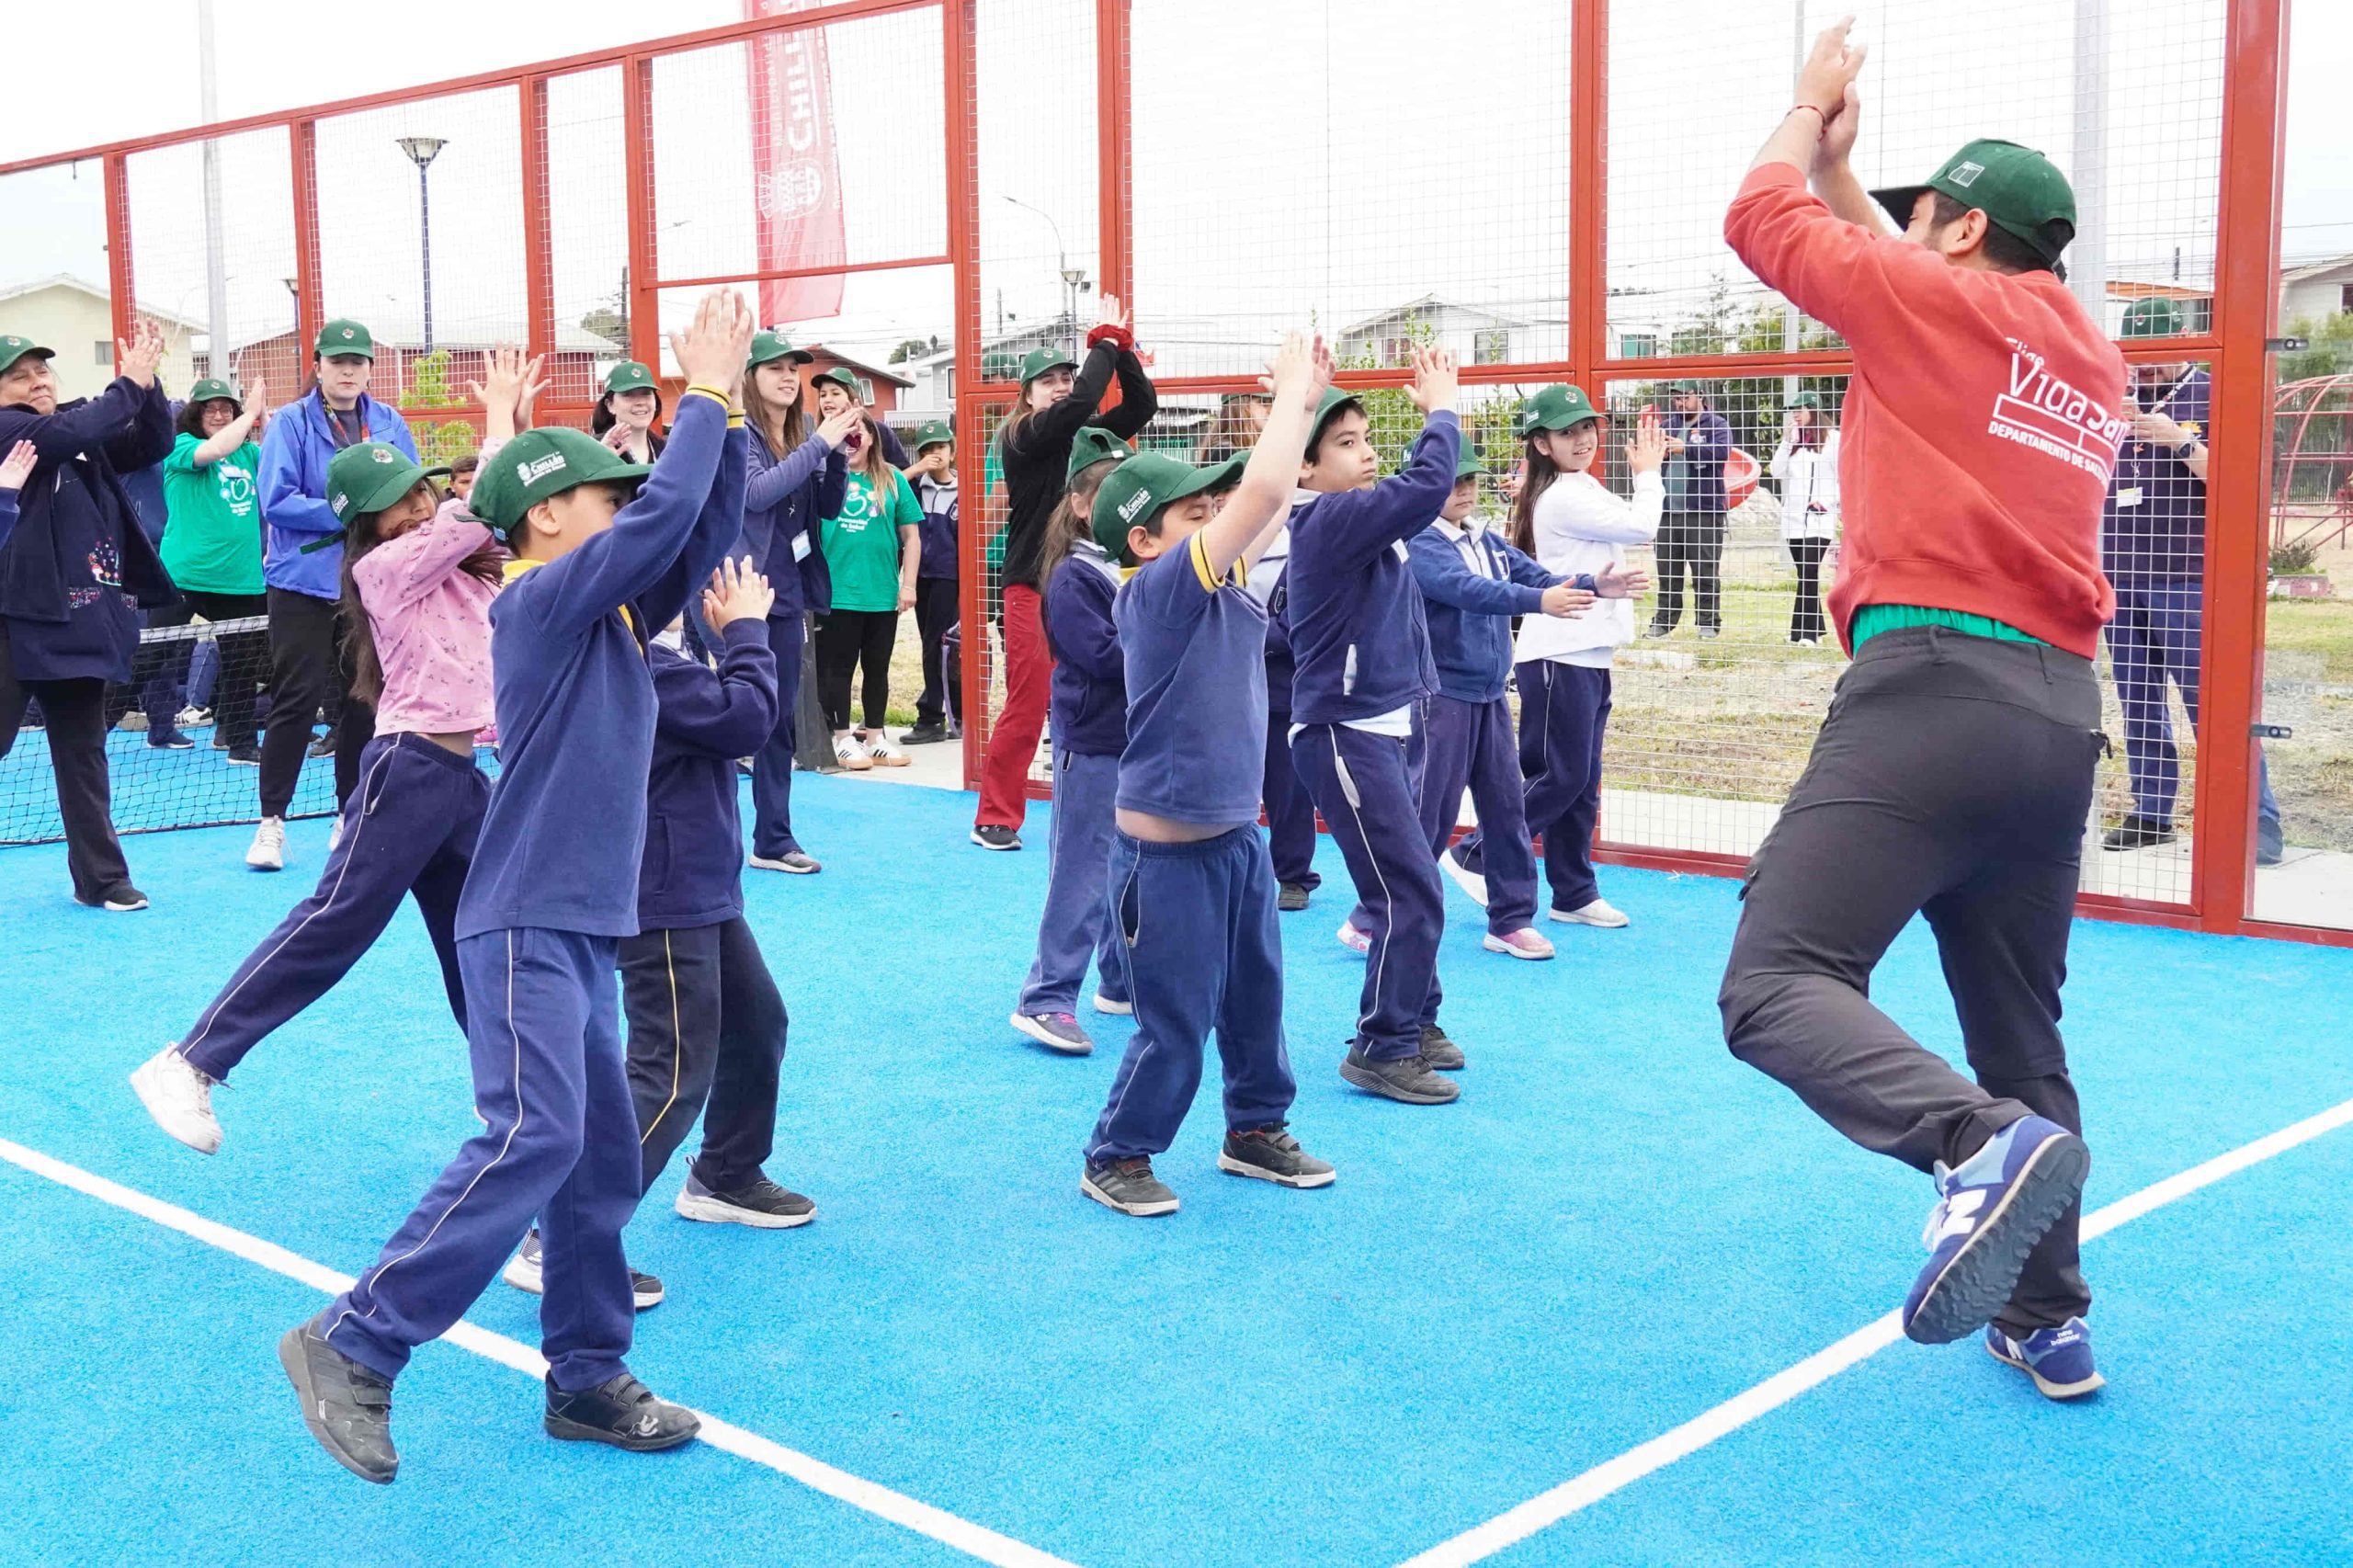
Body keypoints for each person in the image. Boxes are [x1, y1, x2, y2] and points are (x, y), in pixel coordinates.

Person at [276, 291, 753, 1483]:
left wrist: (727, 419)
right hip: (525, 920)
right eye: (608, 495)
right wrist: (703, 399)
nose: (629, 514)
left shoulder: (607, 611)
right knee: (535, 1132)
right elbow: (667, 526)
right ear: (547, 516)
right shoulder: (539, 600)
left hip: (578, 928)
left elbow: (702, 535)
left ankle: (588, 1377)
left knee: (592, 1161)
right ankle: (355, 1339)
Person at [1718, 22, 2112, 1398]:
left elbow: (1756, 218)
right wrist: (1860, 178)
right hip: (2056, 719)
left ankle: (1969, 1147)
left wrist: (1803, 113)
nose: (1898, 229)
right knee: (2022, 1037)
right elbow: (1898, 285)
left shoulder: (1933, 303)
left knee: (1774, 983)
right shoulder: (2081, 352)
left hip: (1933, 684)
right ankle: (2048, 1310)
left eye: (1918, 214)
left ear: (1957, 233)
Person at [129, 351, 540, 1156]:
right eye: (399, 503)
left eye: (423, 489)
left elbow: (493, 521)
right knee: (335, 925)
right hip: (411, 770)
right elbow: (473, 514)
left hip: (461, 781)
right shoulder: (387, 569)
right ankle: (189, 1061)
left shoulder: (461, 570)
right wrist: (496, 429)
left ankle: (514, 1103)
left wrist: (515, 433)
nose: (421, 507)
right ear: (366, 526)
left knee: (483, 945)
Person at [1078, 332, 1336, 1219]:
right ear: (1144, 539)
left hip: (1236, 843)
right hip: (1168, 859)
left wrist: (1299, 409)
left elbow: (1271, 498)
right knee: (1175, 1020)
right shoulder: (1153, 592)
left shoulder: (1225, 584)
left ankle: (1254, 1130)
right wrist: (1297, 385)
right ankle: (1119, 1152)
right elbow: (1264, 491)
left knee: (1258, 1001)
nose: (1216, 518)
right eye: (1195, 514)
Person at [504, 559, 811, 1299]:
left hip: (698, 883)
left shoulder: (652, 654)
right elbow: (747, 718)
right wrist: (743, 631)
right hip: (661, 892)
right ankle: (563, 1235)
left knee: (757, 1022)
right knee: (671, 1071)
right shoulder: (639, 665)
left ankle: (726, 1175)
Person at [1283, 349, 1465, 1107]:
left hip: (1390, 726)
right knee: (1408, 891)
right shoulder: (1330, 519)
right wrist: (1443, 408)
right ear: (1303, 470)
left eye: (1365, 438)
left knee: (1409, 882)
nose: (1365, 453)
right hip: (1346, 733)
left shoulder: (1357, 527)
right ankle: (1383, 1047)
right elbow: (1427, 485)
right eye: (1346, 444)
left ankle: (1415, 1021)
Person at [1406, 436, 1642, 960]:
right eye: (1452, 481)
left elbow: (1531, 573)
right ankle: (1382, 911)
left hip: (1489, 693)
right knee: (1429, 811)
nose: (1465, 490)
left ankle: (1511, 919)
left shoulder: (1482, 537)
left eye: (1469, 479)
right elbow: (1467, 590)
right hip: (1441, 696)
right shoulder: (1418, 542)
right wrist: (1541, 601)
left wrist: (1591, 585)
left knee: (1508, 806)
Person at [1452, 386, 1664, 932]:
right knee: (1558, 774)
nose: (1583, 438)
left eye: (1587, 427)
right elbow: (1643, 525)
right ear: (1541, 444)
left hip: (1586, 652)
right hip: (1558, 655)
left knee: (1581, 780)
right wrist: (1648, 471)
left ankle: (1573, 891)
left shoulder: (1578, 486)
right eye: (1567, 432)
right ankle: (1475, 854)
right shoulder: (1565, 495)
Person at [2099, 296, 2283, 863]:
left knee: (2214, 702)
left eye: (2157, 354)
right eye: (2137, 356)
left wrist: (2181, 441)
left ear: (2184, 338)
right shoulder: (2114, 398)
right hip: (2119, 574)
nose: (2145, 367)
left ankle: (2256, 823)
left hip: (2188, 576)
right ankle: (2152, 811)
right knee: (2139, 702)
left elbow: (2245, 486)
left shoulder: (2218, 393)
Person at [0, 324, 176, 912]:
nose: (36, 382)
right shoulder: (12, 432)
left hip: (74, 625)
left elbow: (150, 444)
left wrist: (146, 389)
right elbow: (78, 427)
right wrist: (130, 380)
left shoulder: (74, 434)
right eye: (18, 376)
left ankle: (101, 880)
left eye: (41, 371)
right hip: (9, 624)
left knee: (83, 757)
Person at [974, 299, 1158, 850]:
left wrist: (1122, 349)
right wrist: (1102, 340)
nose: (1059, 386)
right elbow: (1079, 405)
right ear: (1026, 394)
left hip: (1089, 579)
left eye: (1065, 377)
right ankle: (997, 815)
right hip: (1033, 581)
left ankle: (1118, 805)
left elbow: (1142, 405)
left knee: (1109, 688)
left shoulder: (1083, 437)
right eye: (1046, 380)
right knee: (1029, 699)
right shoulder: (1022, 435)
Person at [252, 319, 417, 873]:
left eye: (358, 361)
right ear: (318, 365)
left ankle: (349, 815)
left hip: (370, 583)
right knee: (294, 700)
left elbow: (412, 493)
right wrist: (351, 514)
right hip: (300, 583)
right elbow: (276, 501)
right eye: (337, 360)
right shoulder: (291, 424)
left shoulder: (388, 421)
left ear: (369, 368)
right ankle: (271, 822)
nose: (348, 370)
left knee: (364, 701)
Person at [1008, 426, 1139, 1054]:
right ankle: (1047, 997)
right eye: (1109, 492)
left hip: (1133, 739)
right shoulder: (1073, 576)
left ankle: (1117, 979)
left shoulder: (1125, 566)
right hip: (1092, 741)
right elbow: (1102, 655)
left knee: (1132, 867)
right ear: (1083, 504)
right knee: (1083, 871)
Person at [737, 330, 858, 875]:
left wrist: (841, 455)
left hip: (786, 594)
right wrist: (819, 445)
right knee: (735, 717)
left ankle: (772, 838)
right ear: (751, 379)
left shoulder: (806, 432)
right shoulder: (737, 433)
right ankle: (701, 832)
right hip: (735, 595)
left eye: (794, 369)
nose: (789, 377)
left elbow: (828, 508)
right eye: (775, 368)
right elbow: (757, 492)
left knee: (779, 717)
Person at [153, 376, 272, 764]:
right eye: (210, 409)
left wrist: (263, 414)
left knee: (241, 664)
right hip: (186, 573)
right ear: (195, 414)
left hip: (239, 578)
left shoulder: (247, 454)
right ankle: (94, 732)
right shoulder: (181, 446)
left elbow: (276, 455)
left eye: (226, 409)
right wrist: (250, 414)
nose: (219, 416)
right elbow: (213, 451)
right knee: (148, 655)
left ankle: (238, 742)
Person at [810, 369, 920, 767]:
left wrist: (907, 585)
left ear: (872, 438)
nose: (852, 441)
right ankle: (841, 735)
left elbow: (912, 537)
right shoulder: (822, 473)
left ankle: (875, 734)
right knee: (837, 668)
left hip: (881, 593)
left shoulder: (892, 479)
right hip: (837, 591)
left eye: (859, 433)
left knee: (878, 667)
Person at [1243, 495, 1322, 914]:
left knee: (1287, 788)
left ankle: (1294, 874)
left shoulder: (1303, 550)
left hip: (1281, 691)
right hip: (1228, 688)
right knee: (1229, 786)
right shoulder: (1218, 547)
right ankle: (1230, 872)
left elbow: (1299, 627)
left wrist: (1239, 627)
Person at [1645, 381, 1731, 640]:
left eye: (1685, 397)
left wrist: (1686, 449)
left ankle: (1708, 623)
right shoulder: (1667, 426)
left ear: (1700, 397)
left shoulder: (1716, 425)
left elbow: (1723, 452)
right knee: (1667, 570)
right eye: (1676, 399)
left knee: (1705, 570)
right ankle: (1663, 622)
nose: (1680, 403)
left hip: (1703, 510)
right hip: (1669, 511)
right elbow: (1650, 457)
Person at [902, 418, 961, 744]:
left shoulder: (963, 489)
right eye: (927, 449)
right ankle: (949, 712)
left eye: (940, 447)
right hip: (920, 575)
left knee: (939, 644)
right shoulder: (914, 486)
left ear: (952, 450)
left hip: (949, 576)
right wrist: (917, 468)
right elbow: (891, 484)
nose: (934, 454)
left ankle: (933, 716)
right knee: (932, 642)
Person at [1769, 392, 1839, 646]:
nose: (1795, 416)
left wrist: (1828, 501)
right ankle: (1813, 630)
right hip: (1793, 521)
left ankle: (1806, 634)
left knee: (1809, 574)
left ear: (1813, 410)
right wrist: (1787, 442)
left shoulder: (1834, 441)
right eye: (1793, 411)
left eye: (1799, 410)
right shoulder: (1794, 442)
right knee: (1804, 576)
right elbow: (1776, 471)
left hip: (1819, 520)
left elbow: (1844, 477)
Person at [592, 359, 666, 464]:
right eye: (628, 394)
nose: (640, 402)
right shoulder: (593, 448)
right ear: (610, 405)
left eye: (646, 393)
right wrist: (599, 463)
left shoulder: (667, 450)